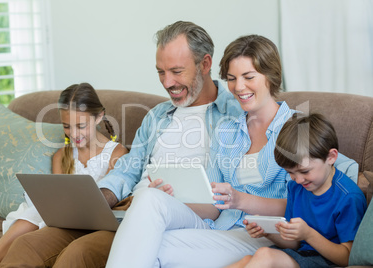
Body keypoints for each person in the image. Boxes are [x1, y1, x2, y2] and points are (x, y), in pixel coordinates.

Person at [0, 21, 243, 267]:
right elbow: (129, 167)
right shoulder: (157, 115)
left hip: (172, 218)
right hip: (125, 211)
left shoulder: (235, 115)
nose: (167, 83)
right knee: (27, 245)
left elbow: (234, 190)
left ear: (206, 64)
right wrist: (100, 198)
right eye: (160, 72)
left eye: (177, 71)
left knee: (80, 253)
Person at [105, 35, 359, 268]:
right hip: (218, 226)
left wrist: (241, 201)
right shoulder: (226, 130)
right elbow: (215, 207)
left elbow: (317, 188)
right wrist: (175, 198)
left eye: (249, 77)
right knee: (150, 200)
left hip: (262, 236)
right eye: (231, 78)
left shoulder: (297, 129)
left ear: (270, 76)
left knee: (154, 248)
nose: (239, 87)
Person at [0, 83, 128, 268]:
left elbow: (111, 199)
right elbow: (60, 197)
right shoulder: (62, 156)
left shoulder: (117, 154)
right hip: (63, 216)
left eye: (81, 126)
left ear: (99, 117)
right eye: (67, 127)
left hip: (92, 221)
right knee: (30, 217)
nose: (74, 134)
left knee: (32, 220)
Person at [226, 113, 367, 268]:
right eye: (290, 172)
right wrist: (268, 232)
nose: (298, 180)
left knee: (265, 256)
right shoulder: (296, 187)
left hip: (325, 262)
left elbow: (347, 258)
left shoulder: (348, 197)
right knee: (246, 261)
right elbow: (293, 244)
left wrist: (309, 234)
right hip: (301, 255)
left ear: (331, 157)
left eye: (305, 171)